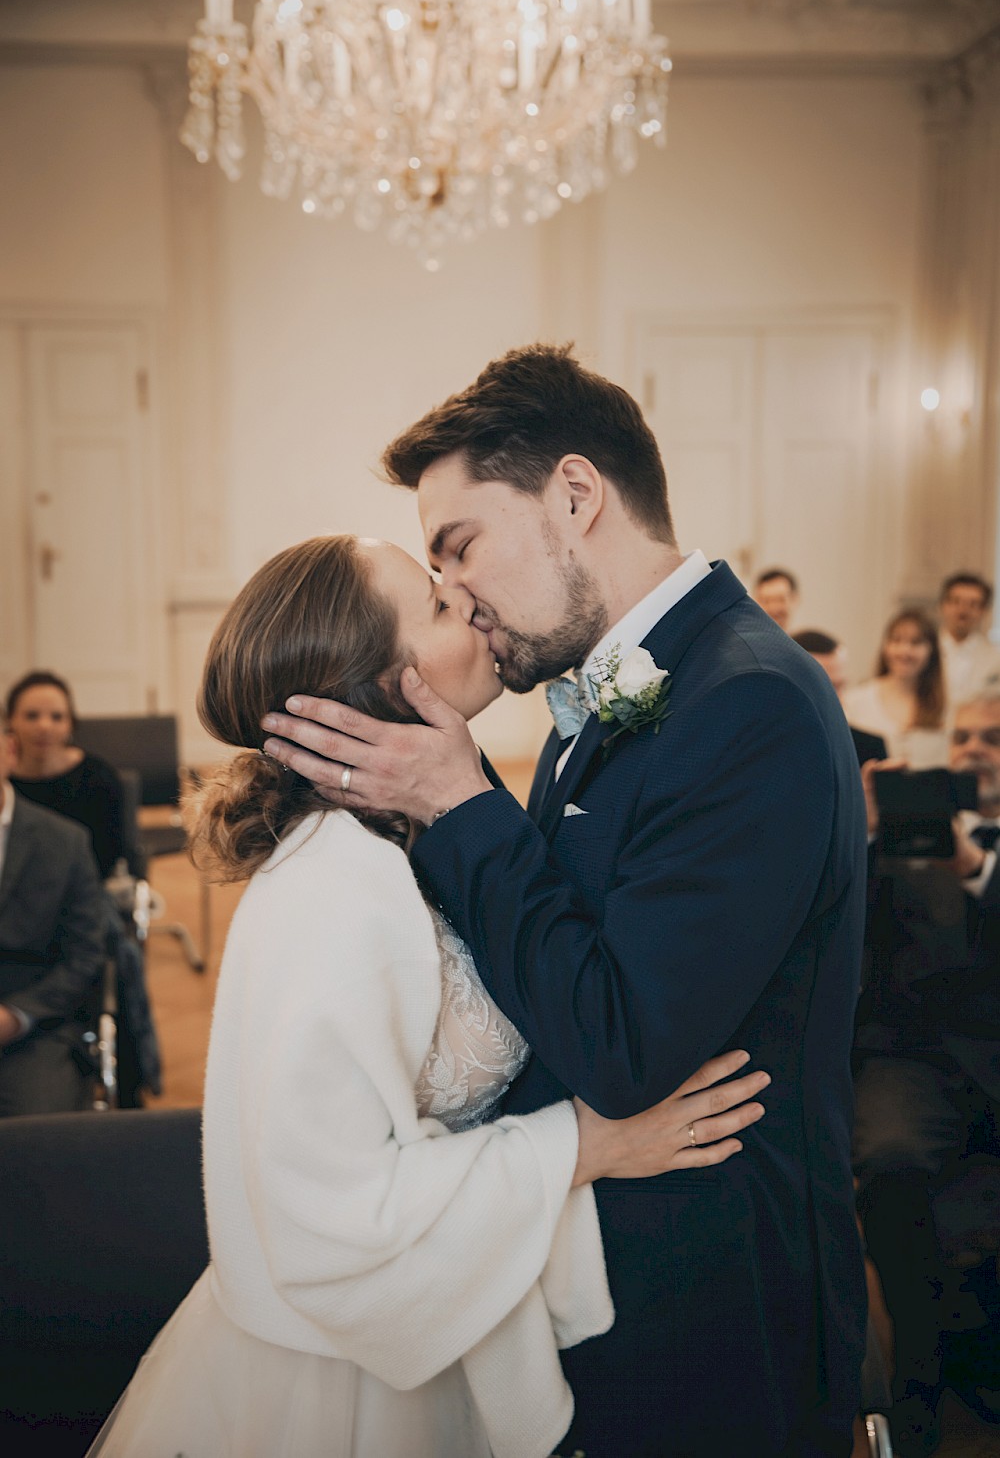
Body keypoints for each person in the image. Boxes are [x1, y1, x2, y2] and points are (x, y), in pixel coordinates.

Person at [262, 345, 870, 1458]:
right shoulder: (612, 690)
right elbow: (547, 951)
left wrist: (457, 802)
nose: (457, 594)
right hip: (606, 1287)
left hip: (718, 1310)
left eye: (461, 548)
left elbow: (622, 1043)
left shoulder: (750, 705)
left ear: (575, 495)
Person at [87, 533, 767, 1458]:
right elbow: (328, 1216)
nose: (472, 603)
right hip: (343, 1388)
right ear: (375, 685)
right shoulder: (341, 885)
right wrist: (588, 1143)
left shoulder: (404, 838)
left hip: (420, 1332)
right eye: (441, 605)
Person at [854, 693, 1000, 1455]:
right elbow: (853, 932)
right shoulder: (907, 834)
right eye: (966, 736)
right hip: (918, 1055)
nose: (976, 749)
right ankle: (915, 1389)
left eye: (995, 737)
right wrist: (868, 830)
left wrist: (979, 870)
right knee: (891, 1159)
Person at [0, 720, 107, 1115]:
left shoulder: (64, 841)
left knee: (41, 1140)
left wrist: (14, 1016)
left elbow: (85, 957)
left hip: (35, 1029)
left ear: (10, 751)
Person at [6, 671, 136, 879]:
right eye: (31, 716)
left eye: (57, 717)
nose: (44, 726)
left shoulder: (98, 779)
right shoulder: (3, 782)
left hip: (82, 893)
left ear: (70, 724)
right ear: (11, 721)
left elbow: (108, 857)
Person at [841, 609, 949, 769]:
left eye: (916, 642)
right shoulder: (855, 700)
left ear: (932, 650)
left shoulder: (947, 707)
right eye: (896, 641)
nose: (904, 651)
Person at [792, 629, 888, 765]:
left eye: (840, 686)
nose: (840, 699)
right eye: (828, 687)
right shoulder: (764, 745)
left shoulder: (869, 750)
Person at [938, 571, 1000, 708]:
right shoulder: (925, 651)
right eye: (956, 601)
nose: (963, 610)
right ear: (943, 605)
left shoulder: (995, 658)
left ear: (984, 610)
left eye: (973, 604)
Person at [753, 566, 799, 631]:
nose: (774, 608)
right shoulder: (743, 640)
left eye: (780, 600)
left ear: (794, 599)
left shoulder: (805, 640)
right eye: (766, 601)